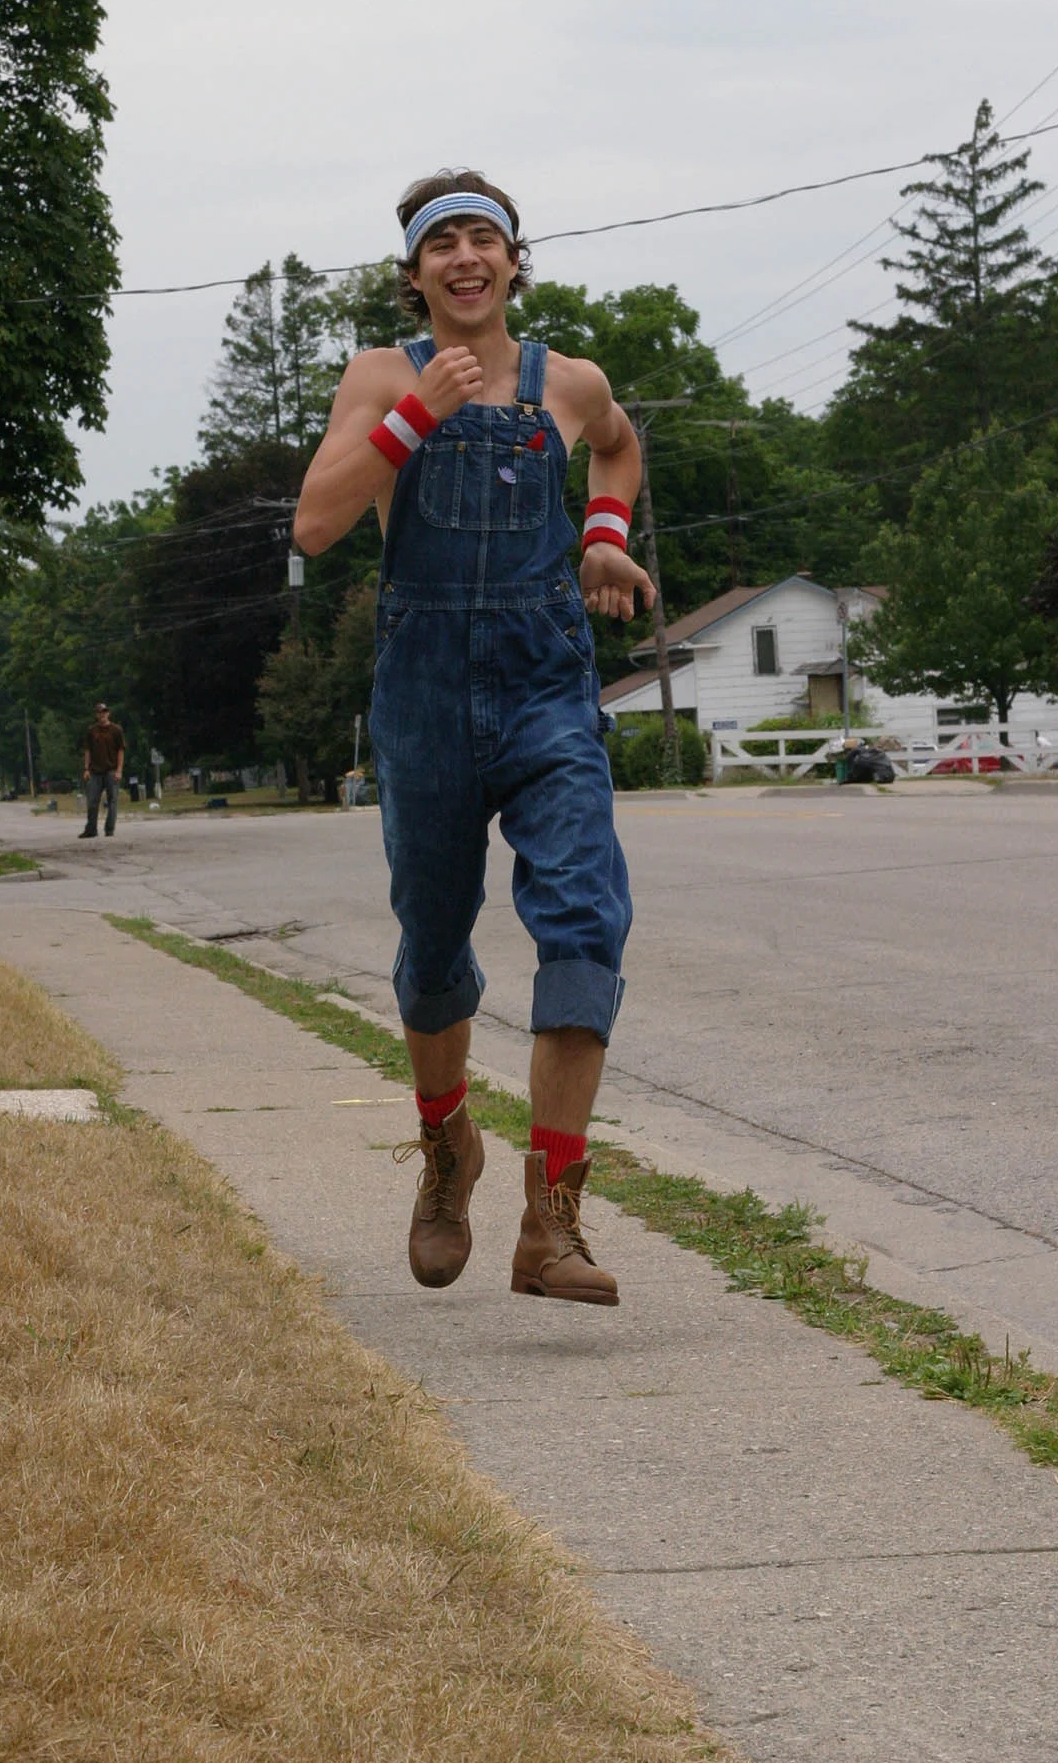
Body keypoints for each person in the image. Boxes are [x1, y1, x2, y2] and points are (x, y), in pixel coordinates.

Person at [293, 168, 654, 1306]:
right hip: (426, 690)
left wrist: (603, 535)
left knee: (587, 915)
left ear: (511, 260)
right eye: (440, 242)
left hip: (547, 682)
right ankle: (449, 1145)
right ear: (414, 274)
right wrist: (418, 415)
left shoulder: (571, 382)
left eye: (482, 238)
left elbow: (619, 445)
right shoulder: (380, 376)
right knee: (435, 944)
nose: (464, 256)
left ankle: (552, 1220)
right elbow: (316, 522)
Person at [80, 701, 125, 837]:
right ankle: (91, 829)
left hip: (111, 769)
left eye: (104, 712)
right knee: (92, 801)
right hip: (95, 771)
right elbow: (87, 750)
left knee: (112, 800)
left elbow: (121, 750)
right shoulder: (91, 730)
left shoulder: (116, 730)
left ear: (108, 713)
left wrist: (119, 770)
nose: (102, 715)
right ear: (96, 715)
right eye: (99, 712)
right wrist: (86, 769)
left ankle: (109, 829)